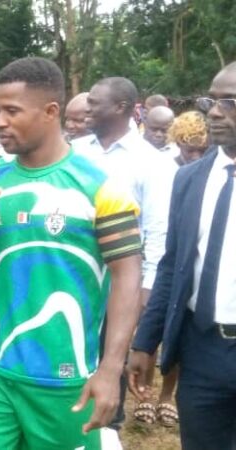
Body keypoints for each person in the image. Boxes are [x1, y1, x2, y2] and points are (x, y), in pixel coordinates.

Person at [0, 57, 143, 450]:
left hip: (65, 377)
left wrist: (111, 369)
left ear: (51, 111)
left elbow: (127, 276)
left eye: (11, 111)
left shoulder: (101, 188)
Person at [129, 63, 236, 449]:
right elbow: (172, 265)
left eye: (231, 102)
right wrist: (145, 343)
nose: (215, 112)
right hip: (202, 350)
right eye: (212, 100)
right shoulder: (189, 179)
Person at [75, 77, 176, 431]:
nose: (86, 108)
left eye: (94, 102)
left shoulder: (153, 162)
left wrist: (145, 292)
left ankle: (106, 429)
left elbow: (159, 231)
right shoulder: (77, 151)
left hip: (120, 284)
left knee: (110, 362)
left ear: (120, 108)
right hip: (74, 281)